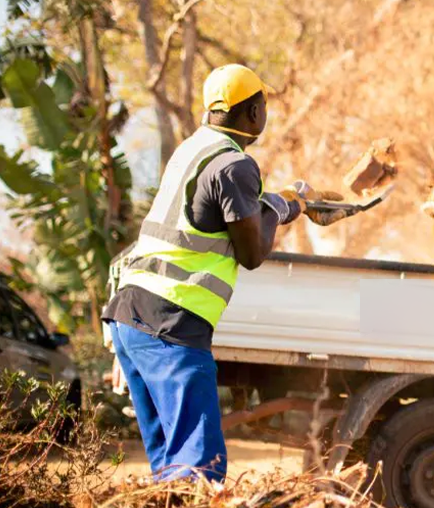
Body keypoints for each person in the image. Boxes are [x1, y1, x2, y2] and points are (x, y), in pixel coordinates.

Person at [103, 64, 346, 482]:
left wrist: (291, 202)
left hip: (131, 316)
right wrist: (292, 204)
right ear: (253, 112)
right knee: (199, 469)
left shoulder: (194, 150)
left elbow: (225, 212)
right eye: (263, 105)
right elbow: (251, 252)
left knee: (171, 468)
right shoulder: (236, 165)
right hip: (171, 323)